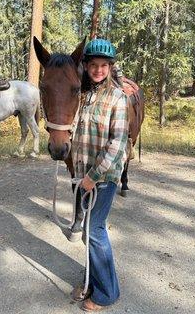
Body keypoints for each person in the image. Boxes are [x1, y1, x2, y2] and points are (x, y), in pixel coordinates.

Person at [71, 38, 129, 311]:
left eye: (103, 65)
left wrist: (93, 176)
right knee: (88, 231)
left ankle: (106, 292)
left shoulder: (117, 97)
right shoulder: (84, 96)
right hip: (83, 175)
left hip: (102, 178)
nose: (98, 70)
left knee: (94, 230)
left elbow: (117, 143)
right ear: (86, 66)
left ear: (110, 67)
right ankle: (92, 280)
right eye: (93, 65)